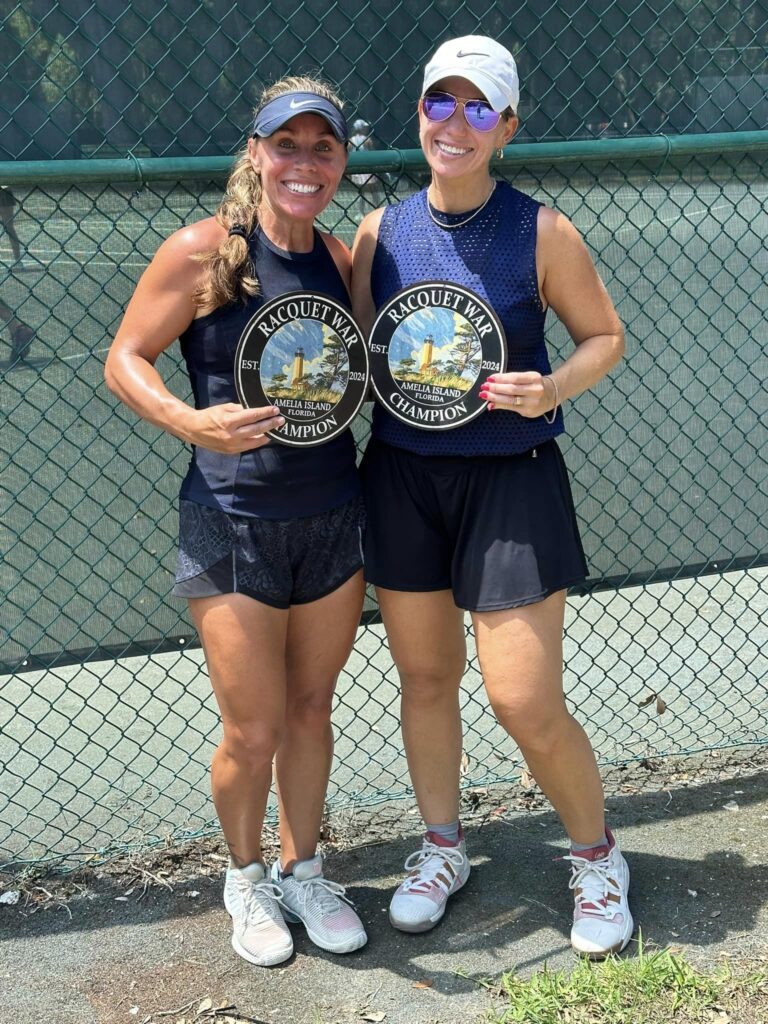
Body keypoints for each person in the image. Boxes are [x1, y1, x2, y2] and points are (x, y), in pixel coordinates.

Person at [352, 37, 630, 958]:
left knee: (521, 698)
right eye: (442, 102)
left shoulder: (542, 230)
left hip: (510, 477)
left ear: (507, 128)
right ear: (420, 114)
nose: (455, 124)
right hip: (401, 476)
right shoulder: (379, 231)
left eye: (480, 108)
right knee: (426, 679)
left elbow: (603, 339)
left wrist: (552, 387)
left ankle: (596, 857)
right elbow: (352, 353)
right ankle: (442, 848)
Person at [105, 75, 368, 967]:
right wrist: (189, 419)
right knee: (251, 728)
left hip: (333, 516)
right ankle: (246, 878)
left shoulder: (340, 261)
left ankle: (306, 870)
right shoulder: (202, 251)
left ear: (340, 162)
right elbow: (125, 357)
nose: (303, 162)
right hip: (230, 520)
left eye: (321, 147)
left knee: (310, 707)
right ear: (254, 153)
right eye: (284, 144)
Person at [348, 119, 382, 219]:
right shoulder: (367, 140)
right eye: (364, 127)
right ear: (361, 129)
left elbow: (348, 154)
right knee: (374, 190)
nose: (366, 129)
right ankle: (377, 209)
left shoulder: (351, 140)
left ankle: (360, 213)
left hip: (357, 169)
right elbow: (373, 153)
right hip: (368, 169)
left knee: (360, 192)